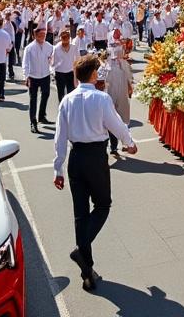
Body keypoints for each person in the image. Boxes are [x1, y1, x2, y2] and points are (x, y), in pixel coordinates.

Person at [52, 56, 137, 292]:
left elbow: (59, 138)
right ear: (93, 75)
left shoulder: (67, 100)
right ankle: (82, 249)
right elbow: (116, 124)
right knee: (102, 205)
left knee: (80, 214)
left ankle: (87, 272)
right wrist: (129, 142)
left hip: (76, 158)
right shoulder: (101, 98)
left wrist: (58, 168)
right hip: (95, 157)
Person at [100, 31, 134, 158]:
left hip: (122, 92)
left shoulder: (123, 64)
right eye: (114, 46)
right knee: (110, 118)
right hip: (110, 92)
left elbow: (128, 77)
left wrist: (130, 88)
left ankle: (126, 143)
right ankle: (113, 146)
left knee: (123, 117)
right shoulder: (106, 63)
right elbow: (101, 79)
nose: (117, 50)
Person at [23, 27, 54, 134]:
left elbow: (52, 59)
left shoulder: (49, 46)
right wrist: (26, 76)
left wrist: (51, 67)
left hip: (45, 75)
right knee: (33, 99)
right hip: (33, 76)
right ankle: (33, 121)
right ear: (35, 36)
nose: (42, 37)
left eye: (44, 35)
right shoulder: (29, 48)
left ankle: (41, 116)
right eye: (40, 35)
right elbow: (25, 63)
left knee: (46, 95)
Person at [50, 31, 77, 105]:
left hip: (70, 73)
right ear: (61, 39)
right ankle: (62, 109)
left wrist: (76, 75)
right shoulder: (56, 48)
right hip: (60, 73)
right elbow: (52, 62)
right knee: (61, 94)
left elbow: (77, 60)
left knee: (71, 94)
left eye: (67, 39)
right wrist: (53, 72)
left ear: (69, 39)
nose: (65, 41)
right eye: (63, 39)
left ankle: (70, 109)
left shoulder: (74, 47)